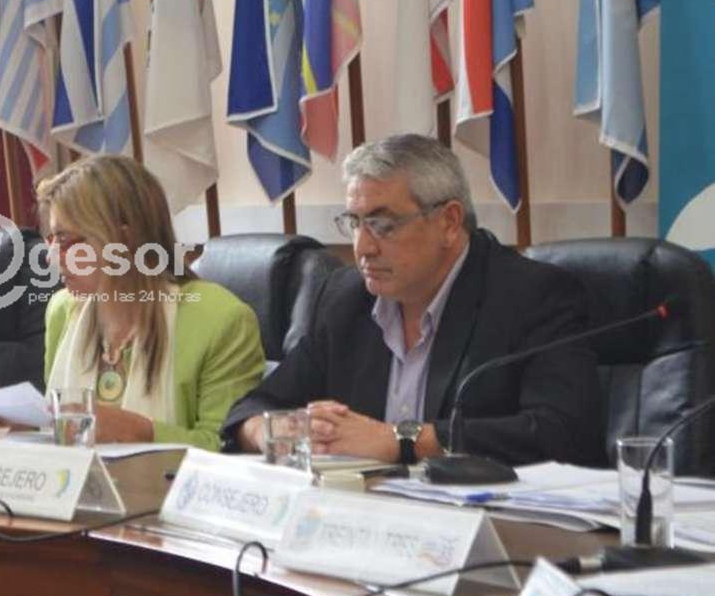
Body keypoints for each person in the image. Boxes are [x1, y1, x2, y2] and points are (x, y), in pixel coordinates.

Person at [222, 134, 603, 466]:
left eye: (383, 225)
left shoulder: (531, 295)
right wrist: (278, 432)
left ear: (449, 222)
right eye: (355, 223)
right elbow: (251, 408)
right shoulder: (346, 297)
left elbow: (563, 433)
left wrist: (402, 440)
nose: (363, 248)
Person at [0, 155, 265, 451]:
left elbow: (227, 448)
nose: (50, 258)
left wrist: (140, 431)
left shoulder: (223, 320)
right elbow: (70, 431)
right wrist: (29, 423)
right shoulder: (62, 309)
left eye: (65, 240)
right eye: (50, 240)